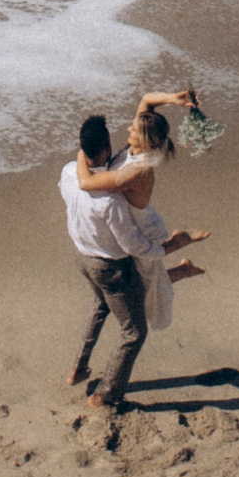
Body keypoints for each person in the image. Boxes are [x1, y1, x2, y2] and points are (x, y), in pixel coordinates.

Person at [75, 90, 210, 331]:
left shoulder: (137, 171)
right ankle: (182, 263)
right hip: (133, 221)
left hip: (141, 227)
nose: (129, 130)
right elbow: (147, 99)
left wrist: (80, 153)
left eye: (134, 130)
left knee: (148, 288)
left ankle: (178, 246)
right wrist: (174, 100)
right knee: (146, 282)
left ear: (144, 140)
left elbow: (86, 183)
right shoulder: (138, 149)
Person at [60, 113, 164, 410]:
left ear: (82, 146)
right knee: (134, 332)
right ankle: (105, 395)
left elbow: (84, 167)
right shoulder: (110, 200)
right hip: (110, 268)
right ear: (106, 149)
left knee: (100, 305)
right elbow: (133, 245)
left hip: (82, 256)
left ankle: (78, 368)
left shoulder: (68, 172)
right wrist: (165, 248)